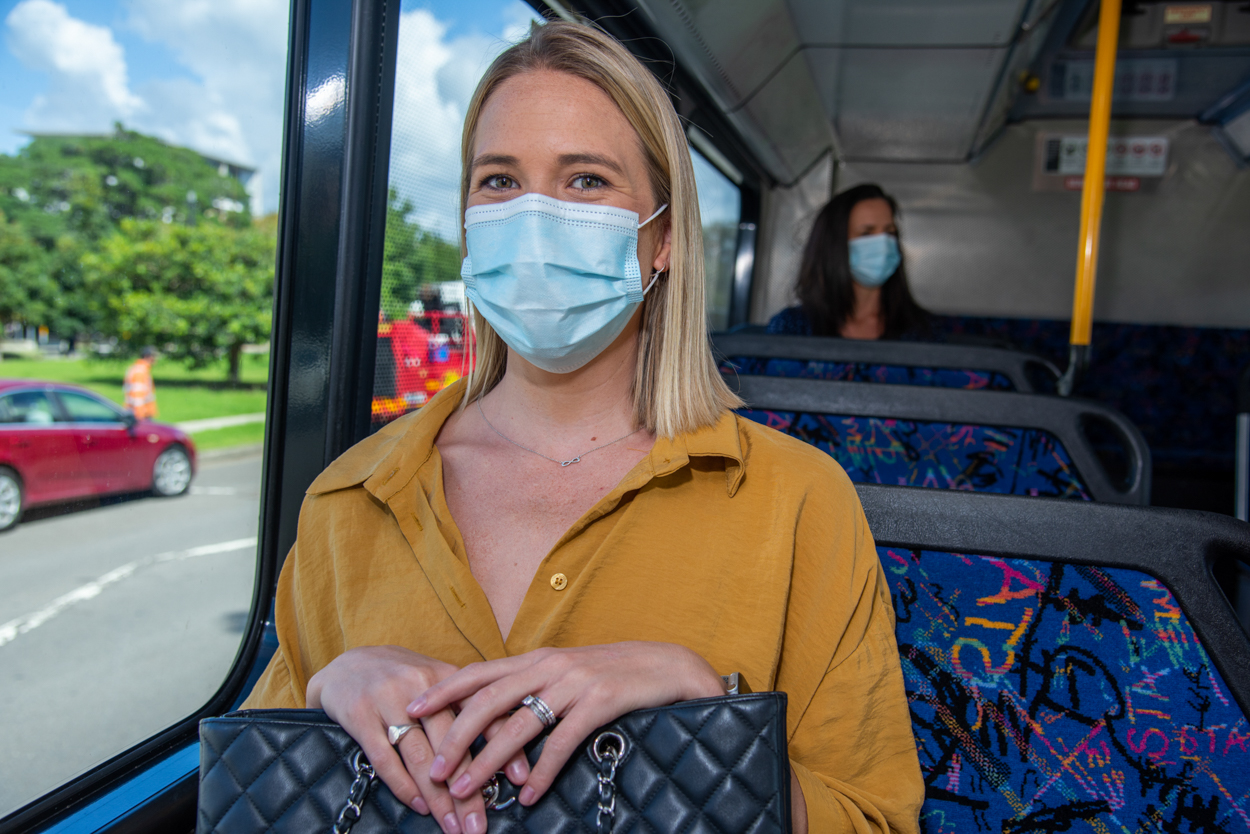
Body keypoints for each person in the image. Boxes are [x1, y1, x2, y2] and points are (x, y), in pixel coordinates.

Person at [242, 20, 922, 834]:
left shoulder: (799, 502)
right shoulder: (349, 499)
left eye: (587, 180)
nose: (534, 217)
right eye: (499, 182)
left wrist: (708, 706)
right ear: (466, 221)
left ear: (664, 238)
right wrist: (326, 692)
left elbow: (875, 819)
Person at [768, 184, 930, 339]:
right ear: (834, 245)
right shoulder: (791, 327)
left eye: (890, 232)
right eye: (866, 233)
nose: (882, 244)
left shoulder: (922, 330)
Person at [123, 346, 158, 420]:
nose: (156, 358)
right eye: (154, 356)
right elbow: (137, 396)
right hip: (140, 415)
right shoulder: (140, 371)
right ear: (147, 356)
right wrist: (140, 417)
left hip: (140, 413)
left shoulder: (140, 369)